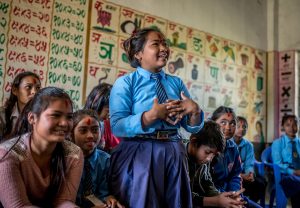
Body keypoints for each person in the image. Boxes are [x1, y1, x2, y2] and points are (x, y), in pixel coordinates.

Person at [109, 27, 204, 208]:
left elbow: (191, 127)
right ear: (138, 54)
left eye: (165, 44)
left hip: (173, 151)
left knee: (175, 203)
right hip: (140, 152)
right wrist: (149, 117)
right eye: (156, 44)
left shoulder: (176, 83)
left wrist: (195, 112)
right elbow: (117, 125)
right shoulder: (126, 83)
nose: (164, 48)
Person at [0, 87, 83, 207]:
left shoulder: (73, 154)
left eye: (69, 117)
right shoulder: (7, 154)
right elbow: (19, 206)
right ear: (32, 118)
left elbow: (64, 202)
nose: (64, 123)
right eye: (55, 115)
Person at [210, 106, 261, 208]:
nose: (228, 128)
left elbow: (235, 175)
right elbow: (203, 183)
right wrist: (223, 196)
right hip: (213, 197)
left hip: (230, 194)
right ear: (213, 123)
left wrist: (235, 194)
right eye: (223, 122)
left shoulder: (233, 147)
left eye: (232, 123)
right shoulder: (207, 147)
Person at [71, 109, 123, 208]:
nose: (90, 136)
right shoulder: (64, 161)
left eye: (95, 130)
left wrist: (108, 198)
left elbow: (104, 192)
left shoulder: (107, 161)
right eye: (83, 130)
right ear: (71, 133)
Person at [187, 120, 245, 208]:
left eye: (214, 154)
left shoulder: (203, 159)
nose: (210, 159)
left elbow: (207, 185)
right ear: (194, 143)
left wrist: (224, 199)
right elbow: (181, 196)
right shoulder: (179, 159)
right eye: (207, 152)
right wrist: (216, 201)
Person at [233, 116, 266, 203]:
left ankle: (250, 203)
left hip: (244, 176)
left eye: (244, 127)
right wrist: (241, 175)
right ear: (232, 127)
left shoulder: (249, 145)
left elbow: (249, 163)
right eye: (238, 126)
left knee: (261, 183)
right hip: (232, 176)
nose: (241, 129)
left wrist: (250, 174)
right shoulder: (227, 143)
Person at [0, 71, 41, 140]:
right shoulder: (2, 115)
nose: (34, 92)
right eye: (28, 87)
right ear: (15, 90)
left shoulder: (42, 116)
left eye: (38, 88)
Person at [272, 114, 300, 207]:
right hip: (285, 174)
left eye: (295, 124)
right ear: (283, 127)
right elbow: (277, 164)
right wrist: (294, 172)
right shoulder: (278, 143)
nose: (292, 127)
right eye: (288, 125)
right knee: (296, 183)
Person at [84, 83, 120, 152]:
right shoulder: (81, 122)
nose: (112, 112)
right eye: (108, 108)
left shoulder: (110, 125)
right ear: (96, 104)